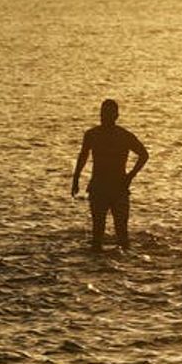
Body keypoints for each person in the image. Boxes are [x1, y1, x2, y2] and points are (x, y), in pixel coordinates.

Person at [71, 98, 149, 251]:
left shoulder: (124, 135)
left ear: (116, 116)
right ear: (100, 114)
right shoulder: (92, 135)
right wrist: (75, 179)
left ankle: (120, 262)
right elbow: (83, 156)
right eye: (103, 113)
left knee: (122, 233)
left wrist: (130, 177)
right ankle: (98, 268)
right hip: (98, 187)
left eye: (108, 114)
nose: (105, 117)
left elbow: (144, 155)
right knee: (97, 233)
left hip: (118, 187)